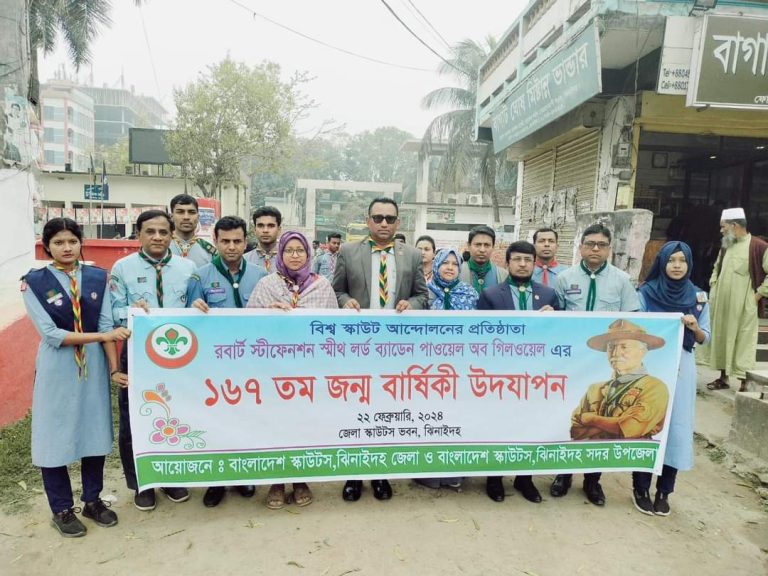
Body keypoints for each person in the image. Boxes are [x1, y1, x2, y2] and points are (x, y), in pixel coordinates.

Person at [22, 218, 130, 538]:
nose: (66, 248)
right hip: (58, 368)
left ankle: (93, 500)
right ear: (47, 246)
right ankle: (61, 509)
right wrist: (102, 335)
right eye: (58, 242)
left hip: (94, 367)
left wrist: (113, 369)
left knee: (94, 432)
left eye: (72, 241)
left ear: (81, 242)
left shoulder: (97, 278)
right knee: (53, 437)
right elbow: (51, 334)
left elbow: (109, 326)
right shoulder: (34, 282)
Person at [333, 197, 428, 502]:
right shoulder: (348, 251)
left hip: (395, 350)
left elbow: (422, 296)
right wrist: (344, 300)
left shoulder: (412, 255)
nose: (384, 223)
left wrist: (410, 304)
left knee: (384, 413)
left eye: (390, 218)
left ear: (398, 223)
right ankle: (353, 476)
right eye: (378, 218)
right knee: (355, 412)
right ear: (368, 221)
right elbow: (337, 289)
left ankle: (380, 474)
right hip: (358, 347)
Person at [110, 210, 197, 511]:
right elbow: (112, 313)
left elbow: (196, 309)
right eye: (150, 231)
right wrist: (132, 311)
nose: (157, 237)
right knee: (134, 417)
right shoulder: (122, 268)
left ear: (172, 234)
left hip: (180, 354)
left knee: (176, 412)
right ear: (138, 234)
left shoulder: (188, 268)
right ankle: (140, 484)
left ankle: (172, 476)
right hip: (137, 354)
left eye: (163, 232)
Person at [551, 222, 640, 506]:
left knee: (600, 422)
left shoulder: (622, 280)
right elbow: (555, 321)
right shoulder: (564, 279)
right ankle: (563, 474)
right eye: (590, 244)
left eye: (601, 245)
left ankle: (592, 480)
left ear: (609, 249)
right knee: (570, 418)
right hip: (571, 363)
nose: (595, 249)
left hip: (606, 365)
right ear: (581, 247)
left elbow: (633, 322)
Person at [247, 230, 337, 509]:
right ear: (280, 254)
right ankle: (276, 481)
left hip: (309, 373)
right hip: (273, 371)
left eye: (300, 250)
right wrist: (268, 315)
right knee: (275, 425)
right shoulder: (266, 285)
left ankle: (299, 479)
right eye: (289, 250)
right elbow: (246, 328)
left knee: (303, 425)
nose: (295, 255)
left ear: (309, 254)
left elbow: (333, 330)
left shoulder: (322, 286)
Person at [187, 216, 267, 507]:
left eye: (237, 241)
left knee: (246, 420)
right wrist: (194, 309)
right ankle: (216, 480)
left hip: (251, 364)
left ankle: (243, 474)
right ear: (216, 242)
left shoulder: (260, 275)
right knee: (215, 422)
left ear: (246, 242)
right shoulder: (200, 276)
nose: (231, 247)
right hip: (214, 367)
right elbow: (188, 324)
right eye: (225, 241)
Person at [477, 241, 560, 504]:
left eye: (527, 259)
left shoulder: (548, 295)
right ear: (507, 263)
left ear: (535, 263)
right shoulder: (491, 295)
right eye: (517, 259)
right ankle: (494, 478)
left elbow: (559, 336)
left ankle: (525, 479)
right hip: (501, 376)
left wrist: (554, 318)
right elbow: (481, 337)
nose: (522, 264)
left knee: (531, 427)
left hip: (536, 377)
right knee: (499, 426)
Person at [632, 241, 710, 516]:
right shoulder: (645, 293)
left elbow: (705, 338)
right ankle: (640, 487)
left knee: (676, 426)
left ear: (689, 264)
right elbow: (637, 327)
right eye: (671, 260)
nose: (677, 266)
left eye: (682, 260)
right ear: (661, 263)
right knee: (646, 422)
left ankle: (664, 491)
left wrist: (695, 328)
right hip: (650, 364)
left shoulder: (699, 297)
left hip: (682, 364)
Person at [413, 247, 478, 491]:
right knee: (431, 421)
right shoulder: (424, 293)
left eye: (454, 264)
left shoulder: (470, 294)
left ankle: (454, 471)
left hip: (460, 369)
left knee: (456, 420)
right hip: (428, 371)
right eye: (445, 263)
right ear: (437, 266)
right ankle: (428, 472)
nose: (450, 267)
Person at [704, 207, 768, 392]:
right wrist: (714, 285)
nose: (721, 230)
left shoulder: (759, 246)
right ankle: (723, 378)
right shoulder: (727, 245)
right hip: (722, 304)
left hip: (744, 306)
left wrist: (756, 296)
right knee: (722, 337)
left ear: (734, 225)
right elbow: (716, 268)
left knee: (743, 341)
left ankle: (744, 381)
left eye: (723, 227)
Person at [572, 320, 668, 441]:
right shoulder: (594, 389)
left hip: (631, 455)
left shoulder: (655, 387)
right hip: (595, 455)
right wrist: (616, 422)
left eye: (624, 347)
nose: (616, 353)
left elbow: (629, 429)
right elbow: (575, 432)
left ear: (642, 352)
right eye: (611, 347)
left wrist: (592, 419)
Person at [168, 194, 217, 267]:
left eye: (191, 212)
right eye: (180, 212)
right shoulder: (163, 246)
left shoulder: (209, 251)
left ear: (198, 217)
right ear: (171, 217)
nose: (186, 217)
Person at [460, 225, 508, 293]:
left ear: (493, 247)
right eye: (478, 245)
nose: (482, 250)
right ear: (469, 246)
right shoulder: (457, 273)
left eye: (487, 245)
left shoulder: (503, 275)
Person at [244, 206, 281, 271]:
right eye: (260, 226)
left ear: (279, 229)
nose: (265, 230)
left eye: (271, 226)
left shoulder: (290, 260)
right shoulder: (244, 261)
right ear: (254, 230)